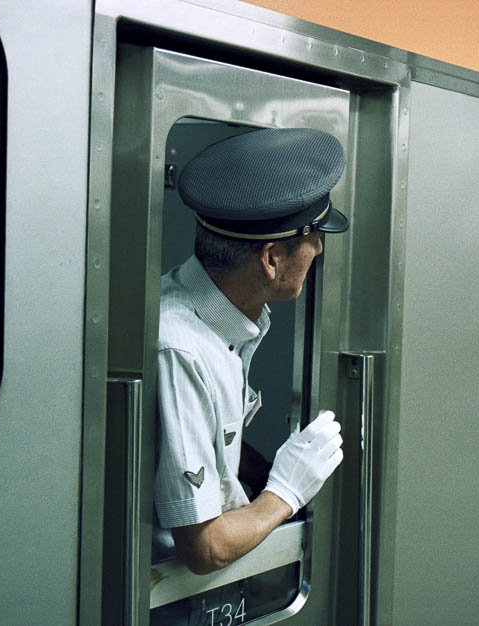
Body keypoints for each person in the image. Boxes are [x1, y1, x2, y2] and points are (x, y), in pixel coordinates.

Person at [155, 127, 349, 575]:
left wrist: (265, 473)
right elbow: (205, 550)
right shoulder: (180, 348)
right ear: (271, 259)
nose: (319, 249)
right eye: (314, 238)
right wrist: (284, 493)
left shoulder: (221, 318)